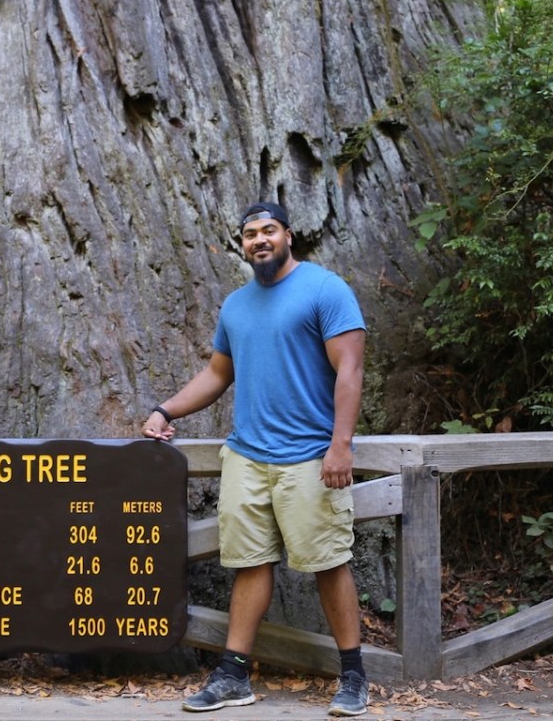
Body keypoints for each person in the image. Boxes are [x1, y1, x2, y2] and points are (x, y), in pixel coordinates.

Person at [142, 201, 369, 717]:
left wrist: (341, 444)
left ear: (289, 235)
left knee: (329, 563)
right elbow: (218, 375)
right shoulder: (236, 306)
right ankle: (233, 675)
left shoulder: (324, 289)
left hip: (310, 456)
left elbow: (350, 371)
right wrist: (163, 409)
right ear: (242, 245)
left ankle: (354, 675)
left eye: (269, 230)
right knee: (248, 563)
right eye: (250, 234)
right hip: (247, 456)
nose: (260, 240)